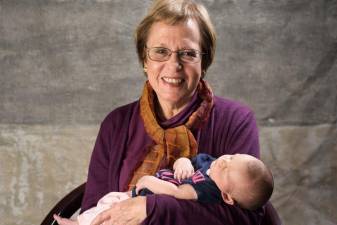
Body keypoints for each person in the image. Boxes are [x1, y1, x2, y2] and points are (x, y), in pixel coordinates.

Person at [54, 0, 281, 225]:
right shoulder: (116, 124)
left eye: (188, 53)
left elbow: (244, 219)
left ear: (204, 62)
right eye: (161, 51)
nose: (174, 65)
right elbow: (94, 212)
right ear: (145, 60)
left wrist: (151, 208)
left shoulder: (236, 121)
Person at [56, 153, 274, 225]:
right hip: (134, 195)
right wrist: (183, 162)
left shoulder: (209, 191)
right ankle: (79, 222)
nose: (224, 161)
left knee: (110, 215)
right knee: (107, 203)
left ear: (226, 196)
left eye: (227, 170)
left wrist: (151, 182)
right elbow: (191, 160)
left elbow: (178, 194)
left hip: (148, 197)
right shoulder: (211, 164)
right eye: (232, 157)